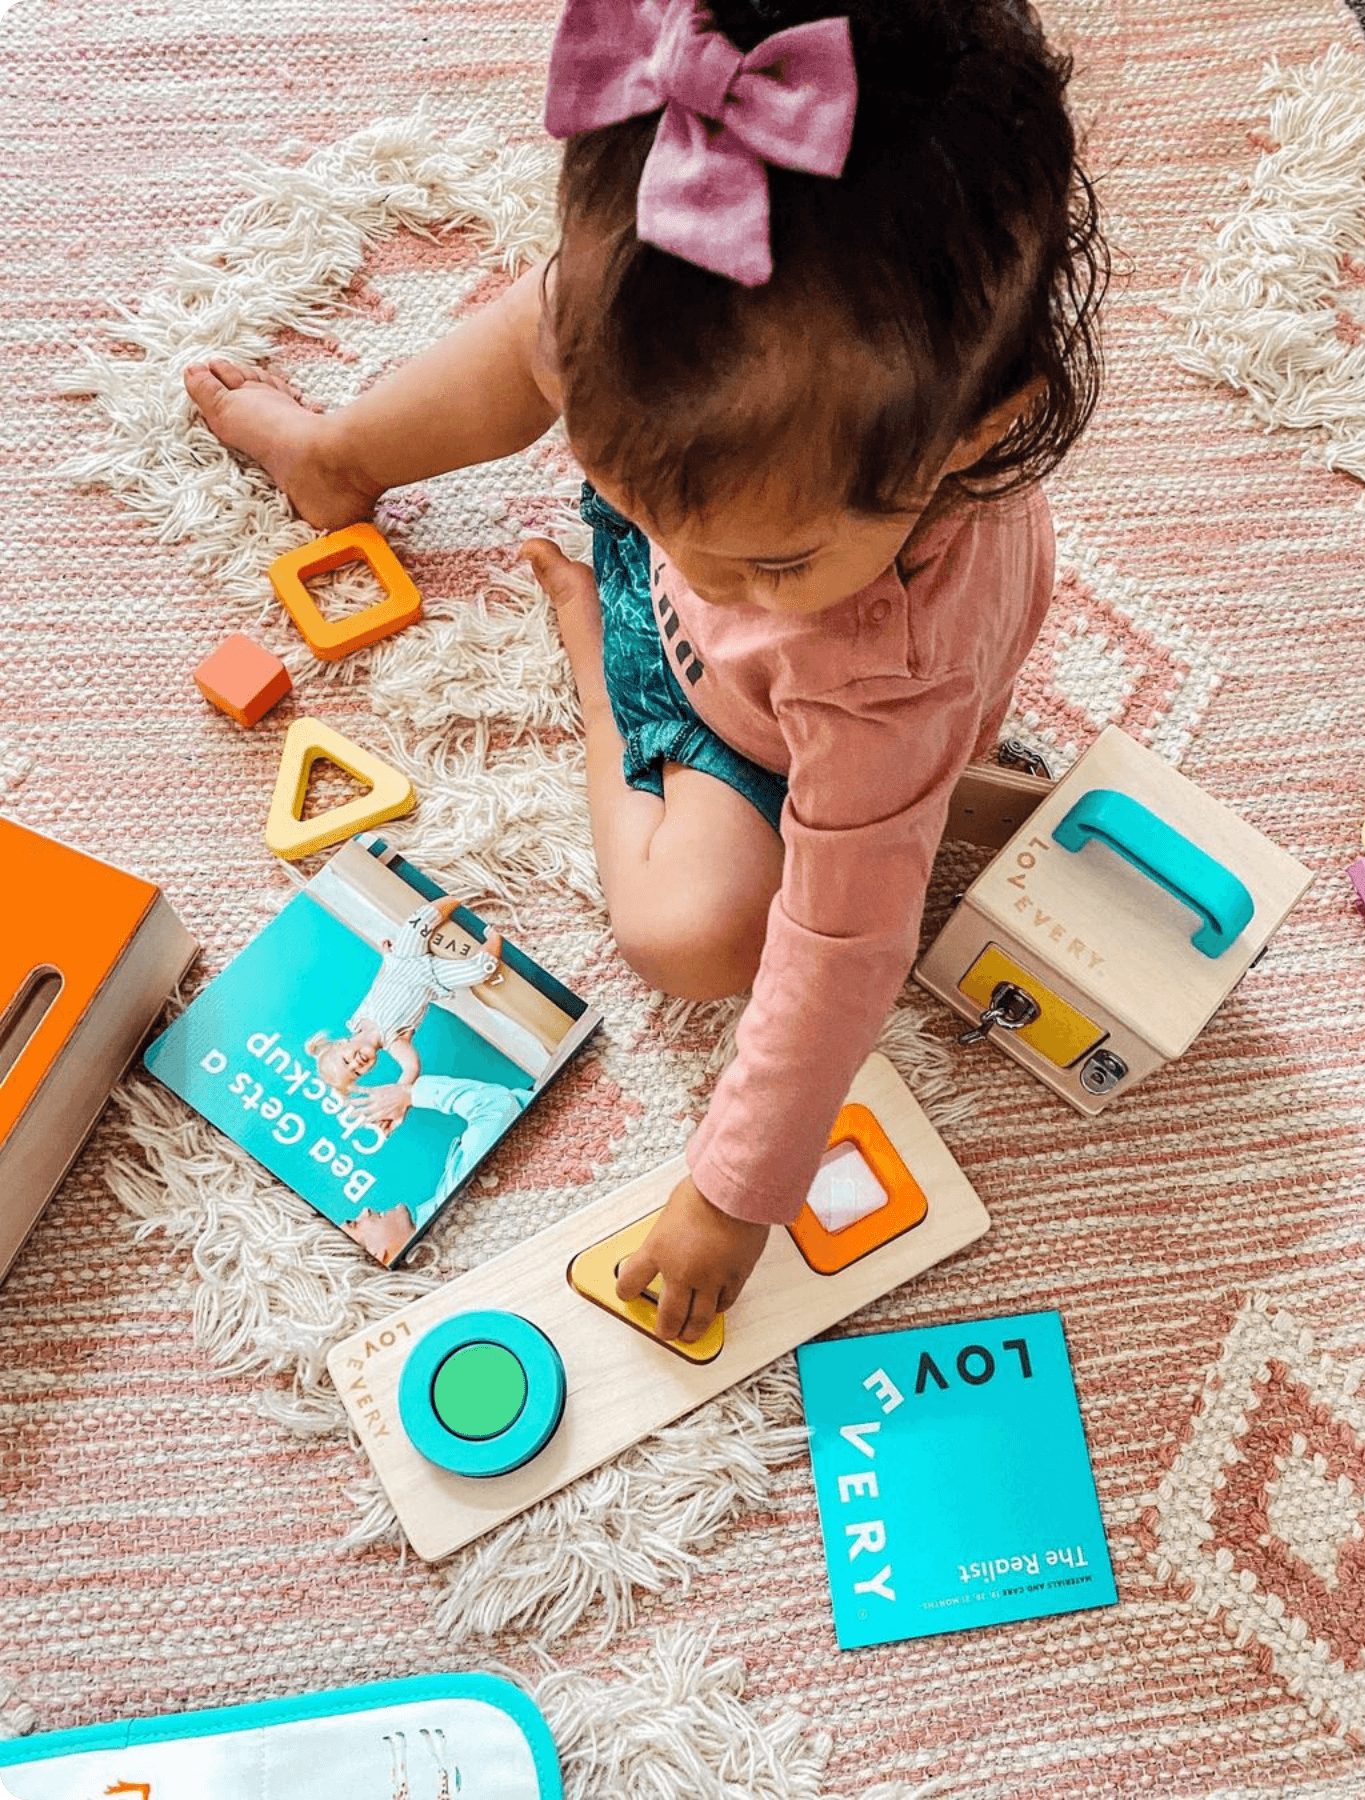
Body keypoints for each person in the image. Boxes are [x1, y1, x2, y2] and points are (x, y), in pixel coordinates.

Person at [184, 0, 1108, 1345]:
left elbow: (848, 948)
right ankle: (334, 460)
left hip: (769, 729)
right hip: (738, 518)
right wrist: (363, 447)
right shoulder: (660, 303)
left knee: (697, 941)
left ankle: (599, 677)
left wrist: (734, 1198)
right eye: (625, 489)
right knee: (541, 339)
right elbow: (553, 362)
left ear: (975, 438)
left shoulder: (885, 680)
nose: (681, 558)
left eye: (771, 562)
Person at [305, 897, 505, 1097]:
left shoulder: (357, 1020)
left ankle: (459, 897)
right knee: (481, 970)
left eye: (346, 1061)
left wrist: (387, 960)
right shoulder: (395, 1043)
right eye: (357, 1072)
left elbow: (378, 986)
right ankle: (495, 933)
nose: (357, 1063)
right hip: (433, 978)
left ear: (342, 1043)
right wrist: (400, 1092)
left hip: (402, 960)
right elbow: (412, 1067)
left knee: (417, 922)